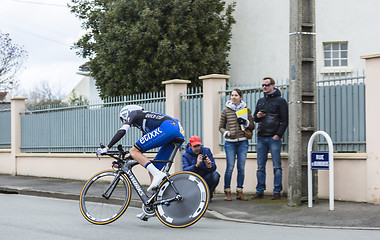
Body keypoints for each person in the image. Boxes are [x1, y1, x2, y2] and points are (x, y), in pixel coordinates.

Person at [96, 105, 185, 219]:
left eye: (122, 119)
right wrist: (123, 161)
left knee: (135, 151)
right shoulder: (145, 125)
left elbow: (123, 131)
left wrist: (107, 148)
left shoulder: (135, 113)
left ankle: (158, 176)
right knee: (153, 169)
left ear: (125, 114)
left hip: (169, 127)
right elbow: (138, 153)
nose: (123, 121)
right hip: (177, 131)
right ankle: (152, 206)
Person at [252, 77, 288, 200]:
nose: (264, 87)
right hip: (262, 137)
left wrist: (278, 134)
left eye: (267, 85)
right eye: (263, 85)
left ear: (273, 85)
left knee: (276, 166)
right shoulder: (261, 101)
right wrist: (257, 115)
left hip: (274, 138)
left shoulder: (281, 101)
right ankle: (259, 191)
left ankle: (277, 191)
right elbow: (255, 119)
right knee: (260, 166)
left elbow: (285, 120)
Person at [219, 89, 255, 201]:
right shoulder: (226, 110)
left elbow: (252, 126)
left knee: (241, 168)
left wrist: (246, 123)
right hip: (230, 143)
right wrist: (226, 133)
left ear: (240, 97)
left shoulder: (246, 109)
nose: (233, 97)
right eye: (232, 95)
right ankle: (227, 191)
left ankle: (239, 192)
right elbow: (220, 126)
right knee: (230, 167)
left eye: (236, 95)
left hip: (243, 141)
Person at [182, 135, 220, 201]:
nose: (197, 148)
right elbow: (185, 170)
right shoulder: (185, 155)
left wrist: (209, 166)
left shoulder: (206, 151)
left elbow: (214, 167)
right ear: (190, 146)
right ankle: (197, 196)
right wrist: (196, 165)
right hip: (194, 179)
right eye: (195, 146)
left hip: (205, 176)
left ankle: (208, 195)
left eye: (198, 146)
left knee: (215, 175)